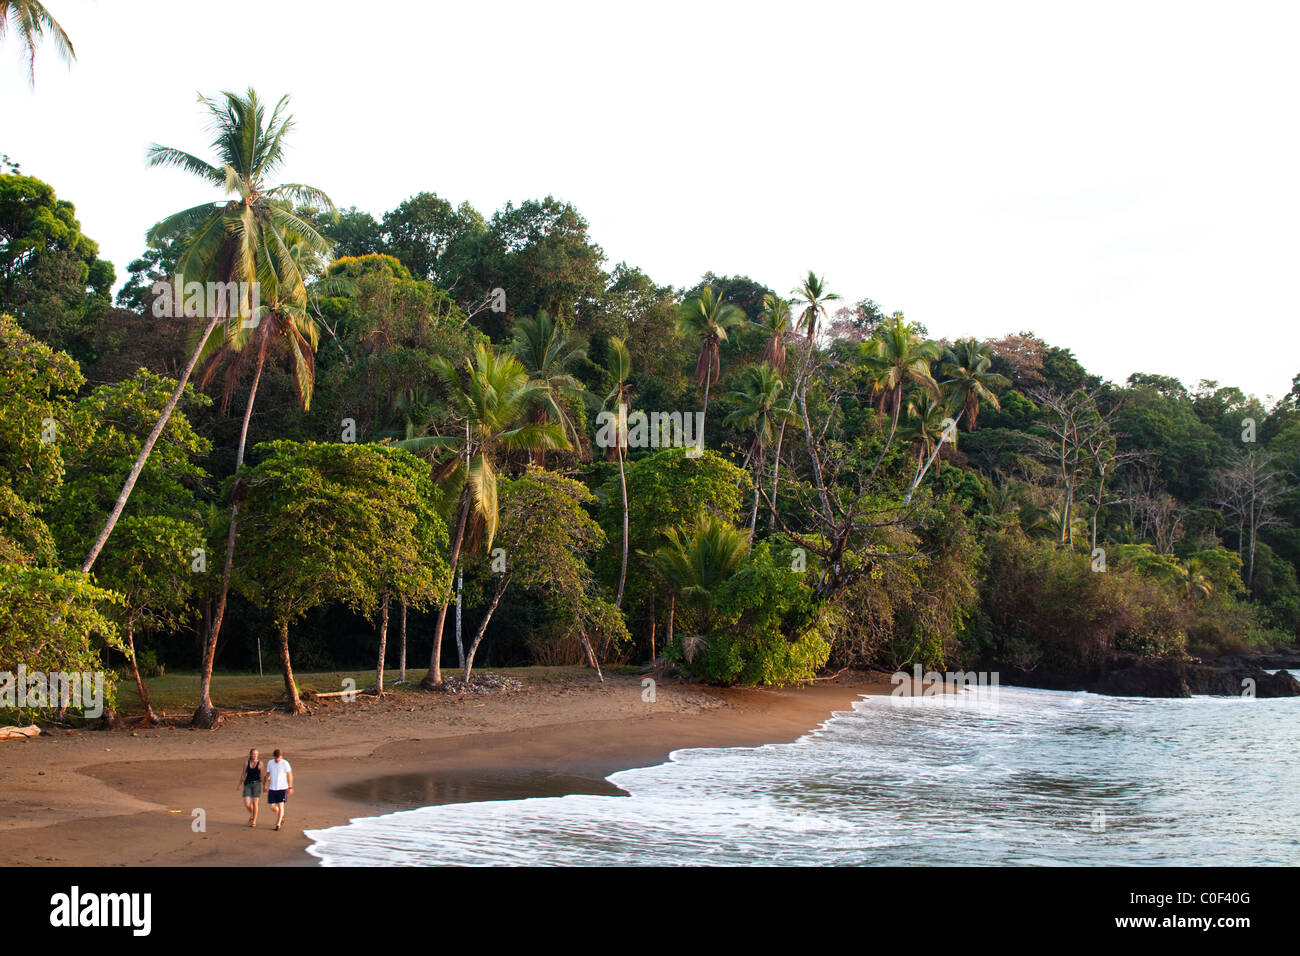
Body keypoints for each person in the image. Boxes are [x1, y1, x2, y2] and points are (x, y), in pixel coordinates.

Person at [265, 748, 294, 831]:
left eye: (279, 758)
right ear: (273, 756)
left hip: (282, 787)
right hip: (272, 787)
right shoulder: (270, 763)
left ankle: (278, 824)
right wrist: (265, 785)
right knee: (272, 806)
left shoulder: (285, 763)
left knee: (281, 805)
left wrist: (290, 787)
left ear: (281, 756)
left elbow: (289, 775)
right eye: (276, 758)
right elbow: (268, 774)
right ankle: (282, 815)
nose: (277, 759)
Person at [238, 749, 264, 828]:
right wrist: (239, 785)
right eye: (253, 754)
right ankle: (252, 813)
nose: (255, 755)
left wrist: (265, 785)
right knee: (247, 803)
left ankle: (254, 821)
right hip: (247, 784)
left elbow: (261, 776)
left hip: (256, 784)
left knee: (255, 803)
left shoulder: (260, 763)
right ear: (250, 755)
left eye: (256, 754)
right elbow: (243, 774)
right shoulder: (246, 763)